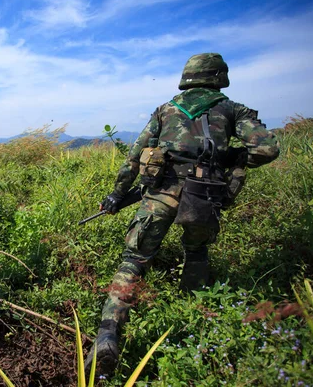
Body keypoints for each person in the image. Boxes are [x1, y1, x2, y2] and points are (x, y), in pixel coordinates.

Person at [85, 53, 280, 376]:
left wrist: (118, 195)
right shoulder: (232, 109)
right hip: (204, 195)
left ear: (187, 77)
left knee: (133, 261)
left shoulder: (165, 109)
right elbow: (267, 149)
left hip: (159, 195)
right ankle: (195, 327)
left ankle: (107, 335)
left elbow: (133, 159)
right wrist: (229, 156)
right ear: (218, 77)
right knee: (197, 251)